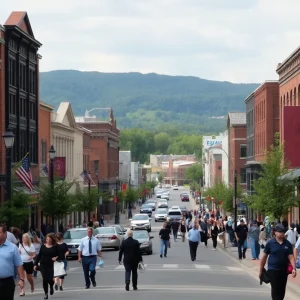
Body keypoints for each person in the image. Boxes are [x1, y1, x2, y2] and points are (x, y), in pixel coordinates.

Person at [260, 224, 297, 300]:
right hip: (273, 270)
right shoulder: (270, 243)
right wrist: (261, 270)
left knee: (282, 290)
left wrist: (294, 268)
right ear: (275, 232)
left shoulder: (287, 244)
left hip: (283, 270)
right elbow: (264, 257)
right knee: (275, 290)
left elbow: (291, 257)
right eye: (280, 231)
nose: (282, 233)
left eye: (283, 231)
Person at [0, 224, 25, 300]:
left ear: (5, 234)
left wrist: (21, 279)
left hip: (7, 282)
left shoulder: (12, 247)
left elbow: (19, 264)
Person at [34, 233, 59, 299]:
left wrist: (56, 257)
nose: (48, 240)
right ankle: (46, 293)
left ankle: (51, 286)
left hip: (51, 264)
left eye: (49, 239)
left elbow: (59, 254)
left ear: (52, 240)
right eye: (47, 239)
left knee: (50, 279)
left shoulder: (55, 246)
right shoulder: (43, 246)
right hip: (43, 264)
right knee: (45, 279)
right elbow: (39, 256)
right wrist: (35, 264)